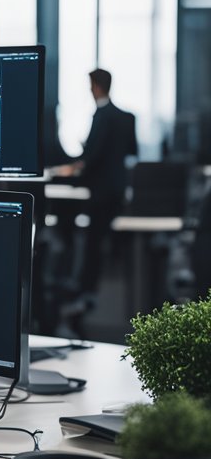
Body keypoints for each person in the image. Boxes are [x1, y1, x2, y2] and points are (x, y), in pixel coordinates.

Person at [54, 68, 138, 311]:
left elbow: (93, 155)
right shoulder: (126, 117)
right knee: (103, 240)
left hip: (100, 189)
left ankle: (87, 290)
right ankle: (93, 287)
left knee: (92, 242)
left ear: (96, 86)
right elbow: (131, 150)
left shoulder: (102, 116)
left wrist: (75, 166)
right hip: (117, 187)